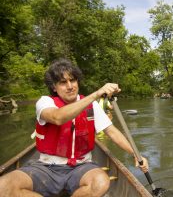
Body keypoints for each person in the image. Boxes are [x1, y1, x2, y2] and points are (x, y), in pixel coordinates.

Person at [0, 58, 149, 197]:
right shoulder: (44, 102)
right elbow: (57, 118)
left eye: (73, 80)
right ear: (54, 86)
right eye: (63, 82)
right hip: (46, 167)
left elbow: (112, 132)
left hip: (81, 166)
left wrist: (136, 154)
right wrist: (96, 94)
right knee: (3, 186)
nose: (70, 86)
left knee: (101, 183)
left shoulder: (92, 106)